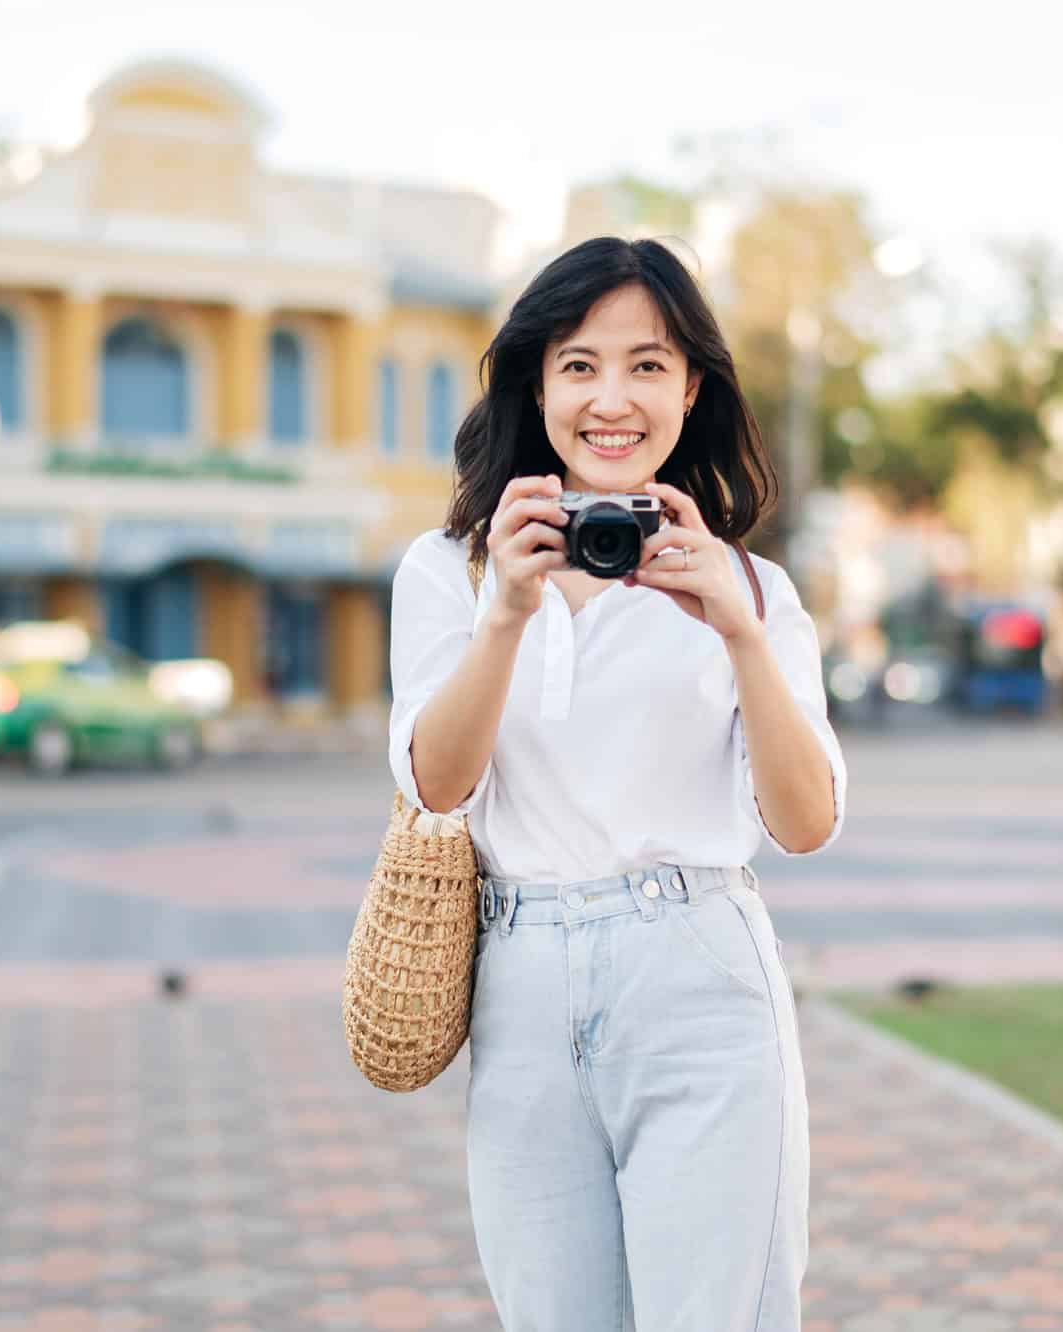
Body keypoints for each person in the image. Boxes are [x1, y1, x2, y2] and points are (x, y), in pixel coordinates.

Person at [387, 236, 846, 1330]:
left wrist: (737, 635)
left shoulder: (751, 585)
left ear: (691, 387)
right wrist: (502, 610)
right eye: (579, 364)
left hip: (696, 974)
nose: (612, 398)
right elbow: (437, 789)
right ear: (536, 385)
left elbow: (806, 823)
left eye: (646, 365)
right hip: (521, 980)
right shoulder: (448, 571)